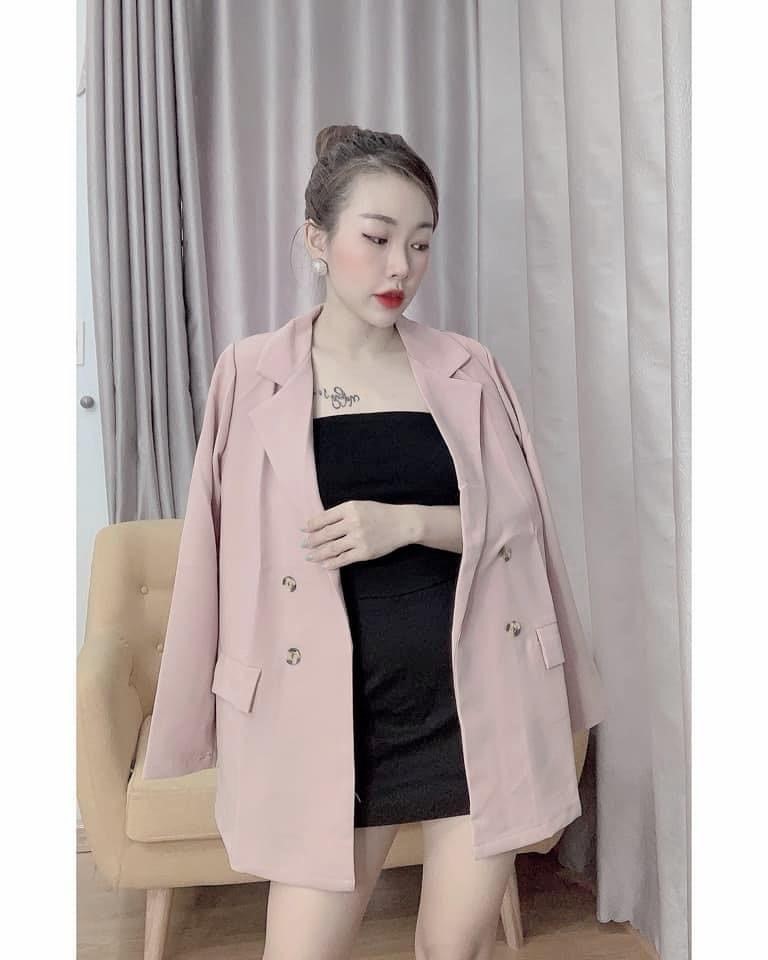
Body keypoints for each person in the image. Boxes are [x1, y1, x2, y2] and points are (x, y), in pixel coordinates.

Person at [261, 124, 517, 960]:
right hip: (335, 717)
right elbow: (222, 558)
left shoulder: (466, 367)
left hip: (471, 701)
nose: (400, 266)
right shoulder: (255, 376)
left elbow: (517, 521)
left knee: (453, 950)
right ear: (317, 239)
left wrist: (404, 522)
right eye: (376, 238)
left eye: (420, 243)